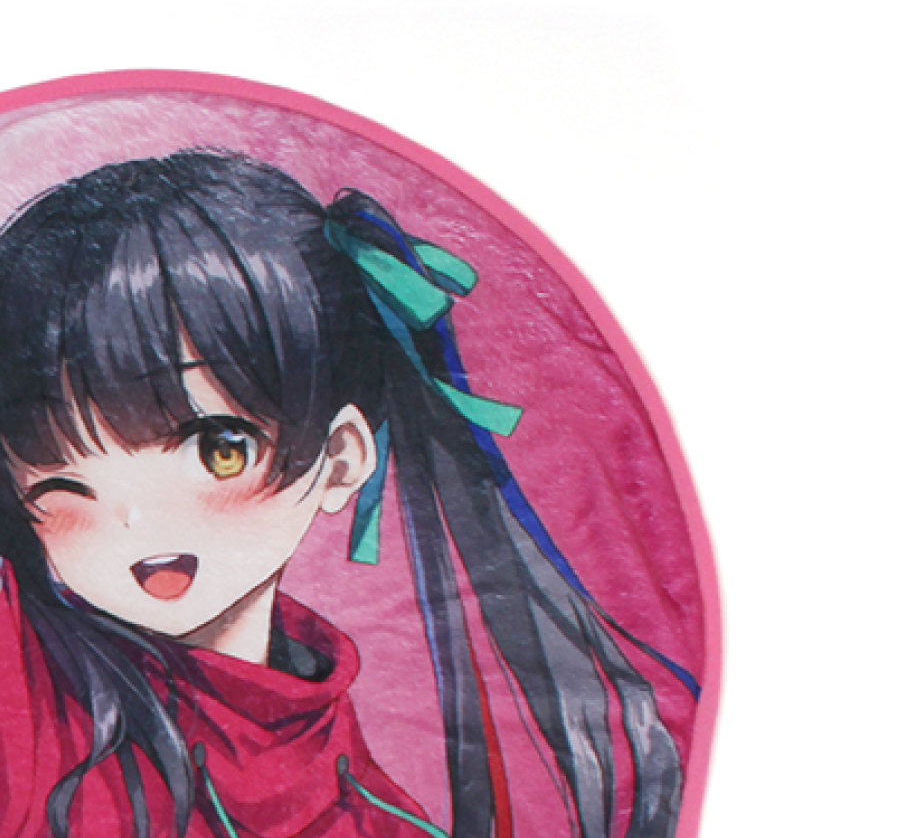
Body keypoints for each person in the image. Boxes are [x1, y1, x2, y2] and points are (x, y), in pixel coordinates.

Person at [0, 151, 687, 838]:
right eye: (64, 485)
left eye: (218, 449)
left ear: (339, 459)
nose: (134, 521)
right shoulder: (23, 680)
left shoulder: (371, 816)